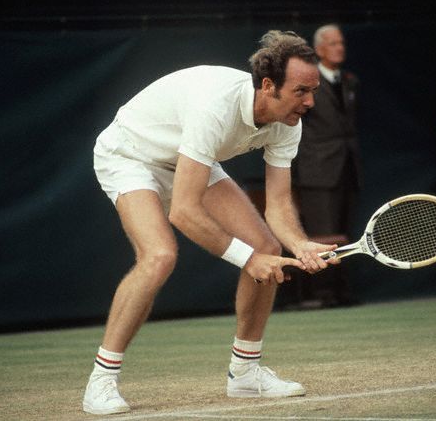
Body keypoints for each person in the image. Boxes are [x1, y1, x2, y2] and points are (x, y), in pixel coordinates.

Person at [84, 30, 340, 415]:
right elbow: (183, 212)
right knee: (159, 256)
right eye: (301, 91)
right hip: (129, 155)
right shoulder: (215, 108)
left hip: (187, 159)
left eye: (313, 91)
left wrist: (300, 244)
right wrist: (248, 260)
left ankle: (245, 375)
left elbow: (278, 205)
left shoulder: (289, 122)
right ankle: (101, 381)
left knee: (268, 246)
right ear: (267, 85)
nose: (310, 102)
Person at [292, 24, 360, 307]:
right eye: (333, 43)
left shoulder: (349, 80)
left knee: (344, 232)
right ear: (319, 50)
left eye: (341, 42)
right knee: (322, 233)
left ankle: (341, 291)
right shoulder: (308, 81)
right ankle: (322, 292)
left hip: (347, 167)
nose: (339, 47)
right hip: (316, 169)